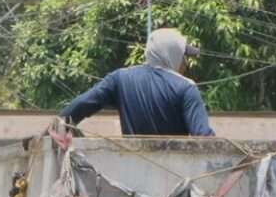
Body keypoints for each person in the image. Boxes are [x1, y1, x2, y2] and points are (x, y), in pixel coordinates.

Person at [59, 27, 215, 137]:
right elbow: (203, 138)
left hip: (129, 175)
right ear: (172, 54)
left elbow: (80, 105)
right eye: (183, 56)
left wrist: (56, 127)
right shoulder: (186, 88)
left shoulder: (120, 78)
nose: (185, 63)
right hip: (174, 177)